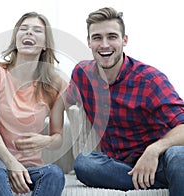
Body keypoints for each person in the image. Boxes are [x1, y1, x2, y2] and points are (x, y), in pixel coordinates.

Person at [67, 7, 184, 196]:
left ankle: (161, 177)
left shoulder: (150, 80)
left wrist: (155, 149)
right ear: (89, 42)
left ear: (124, 40)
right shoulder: (82, 74)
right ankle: (153, 182)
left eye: (112, 36)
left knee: (179, 156)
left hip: (157, 162)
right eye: (97, 38)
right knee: (84, 163)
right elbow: (61, 100)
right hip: (118, 166)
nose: (104, 44)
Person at [0, 12, 67, 195]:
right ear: (16, 38)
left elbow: (58, 138)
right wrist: (11, 163)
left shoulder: (55, 85)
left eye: (37, 31)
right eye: (23, 29)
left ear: (45, 44)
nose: (29, 33)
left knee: (55, 174)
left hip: (30, 170)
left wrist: (46, 140)